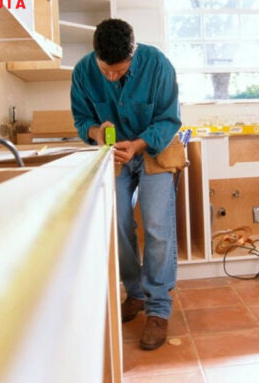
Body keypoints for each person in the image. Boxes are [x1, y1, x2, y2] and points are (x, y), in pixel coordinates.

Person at [70, 19, 181, 351]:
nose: (112, 77)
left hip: (153, 148)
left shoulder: (158, 64)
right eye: (107, 71)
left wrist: (138, 144)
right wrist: (96, 132)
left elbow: (169, 118)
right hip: (113, 154)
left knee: (157, 223)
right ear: (96, 57)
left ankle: (158, 307)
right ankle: (134, 293)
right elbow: (81, 120)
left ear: (133, 54)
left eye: (120, 71)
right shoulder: (83, 72)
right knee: (118, 224)